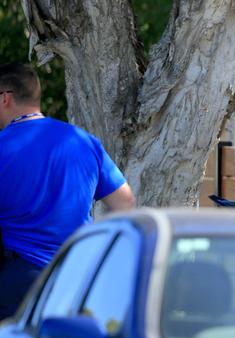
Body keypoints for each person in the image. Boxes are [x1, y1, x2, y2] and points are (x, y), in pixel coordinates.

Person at [0, 63, 135, 319]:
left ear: (6, 97)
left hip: (18, 281)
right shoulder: (83, 141)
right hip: (76, 276)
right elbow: (125, 203)